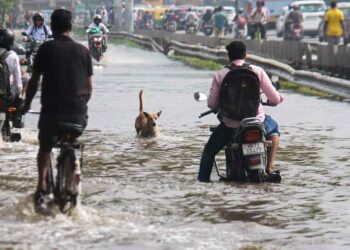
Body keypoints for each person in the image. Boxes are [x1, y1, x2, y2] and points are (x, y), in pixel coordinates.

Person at [21, 9, 93, 207]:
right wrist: (80, 108)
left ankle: (42, 185)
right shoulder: (84, 51)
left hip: (51, 115)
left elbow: (34, 82)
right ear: (70, 27)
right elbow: (88, 89)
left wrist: (26, 105)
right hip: (78, 117)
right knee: (71, 137)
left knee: (45, 146)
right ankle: (72, 170)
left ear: (52, 27)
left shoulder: (46, 48)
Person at [198, 41, 283, 182]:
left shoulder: (220, 74)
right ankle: (269, 167)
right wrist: (276, 100)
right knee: (273, 128)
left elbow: (212, 104)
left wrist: (217, 107)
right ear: (245, 55)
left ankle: (202, 183)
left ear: (229, 56)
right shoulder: (257, 71)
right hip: (256, 122)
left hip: (230, 125)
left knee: (209, 151)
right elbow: (274, 97)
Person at [0, 29, 23, 132]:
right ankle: (16, 120)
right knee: (19, 97)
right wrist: (18, 95)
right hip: (6, 97)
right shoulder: (13, 56)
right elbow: (18, 83)